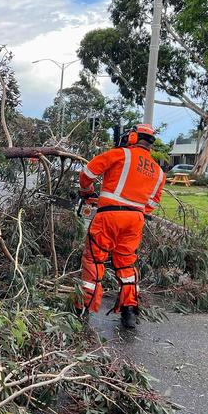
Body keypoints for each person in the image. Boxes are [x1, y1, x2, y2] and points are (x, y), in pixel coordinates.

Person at [76, 124, 165, 329]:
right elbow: (152, 204)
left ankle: (83, 308)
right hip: (135, 220)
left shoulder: (119, 154)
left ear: (132, 137)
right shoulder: (159, 172)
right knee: (126, 263)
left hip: (109, 217)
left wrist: (87, 191)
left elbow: (87, 173)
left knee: (94, 259)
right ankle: (129, 311)